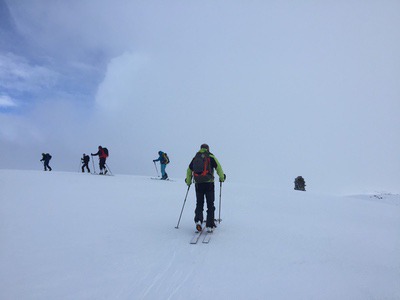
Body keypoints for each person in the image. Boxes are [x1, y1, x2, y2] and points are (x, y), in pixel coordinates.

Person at [185, 144, 225, 233]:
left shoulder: (196, 157)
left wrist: (188, 181)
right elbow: (219, 167)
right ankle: (210, 225)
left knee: (199, 203)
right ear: (208, 149)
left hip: (198, 183)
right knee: (210, 204)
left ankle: (198, 220)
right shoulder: (210, 156)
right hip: (209, 183)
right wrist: (222, 178)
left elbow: (189, 170)